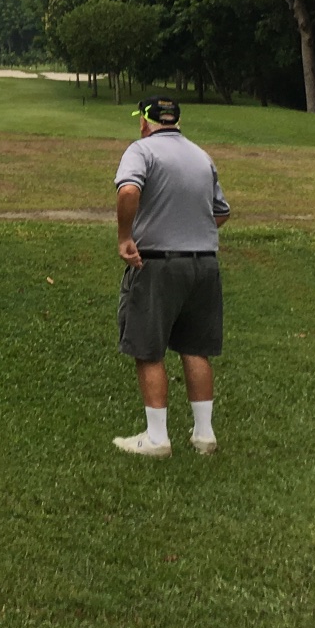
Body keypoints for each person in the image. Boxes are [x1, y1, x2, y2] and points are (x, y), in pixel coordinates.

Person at [110, 97, 231, 458]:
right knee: (195, 348)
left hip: (158, 265)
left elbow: (128, 190)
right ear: (176, 121)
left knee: (148, 348)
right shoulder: (201, 156)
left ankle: (157, 438)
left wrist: (125, 236)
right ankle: (204, 435)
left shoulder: (141, 151)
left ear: (145, 122)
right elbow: (221, 212)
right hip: (204, 265)